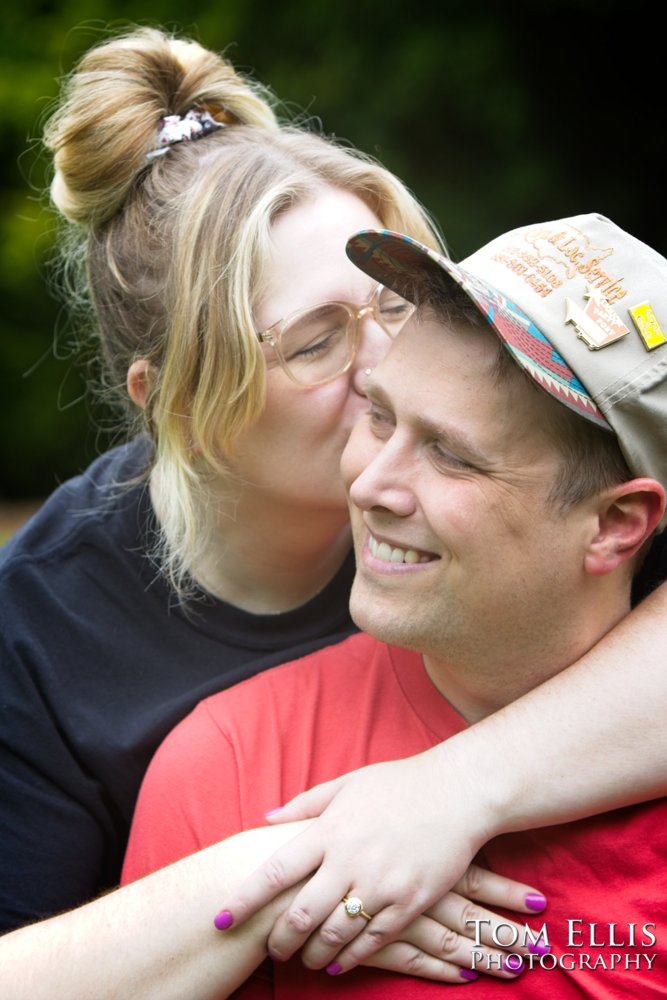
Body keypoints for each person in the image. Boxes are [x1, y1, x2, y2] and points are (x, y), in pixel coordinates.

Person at [0, 19, 666, 997]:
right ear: (173, 402)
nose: (385, 362)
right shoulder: (42, 633)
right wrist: (282, 874)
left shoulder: (544, 471)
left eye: (392, 303)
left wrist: (446, 792)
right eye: (316, 342)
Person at [121, 212, 667, 998]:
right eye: (379, 416)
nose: (370, 484)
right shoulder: (231, 765)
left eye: (450, 455)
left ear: (615, 525)